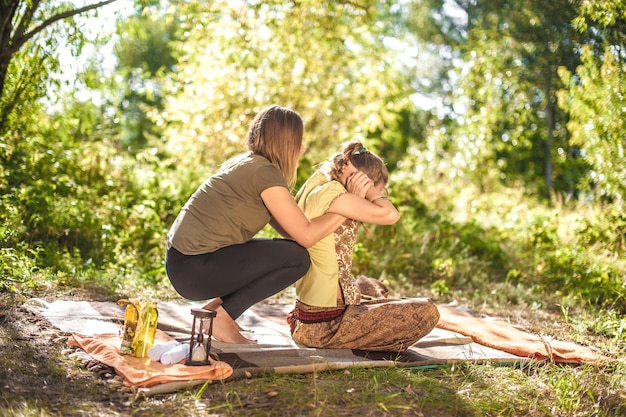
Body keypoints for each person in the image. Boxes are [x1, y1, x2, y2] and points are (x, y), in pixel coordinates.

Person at [165, 105, 347, 344]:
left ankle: (213, 315)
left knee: (290, 254)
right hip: (194, 268)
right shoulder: (264, 173)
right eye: (298, 142)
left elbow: (294, 231)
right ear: (284, 142)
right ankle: (223, 318)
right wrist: (344, 208)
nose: (302, 149)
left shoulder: (251, 166)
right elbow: (305, 236)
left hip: (185, 264)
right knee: (297, 259)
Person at [287, 140, 440, 352]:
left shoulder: (319, 182)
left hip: (307, 316)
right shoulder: (340, 197)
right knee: (427, 311)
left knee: (372, 286)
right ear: (362, 181)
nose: (376, 197)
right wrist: (371, 192)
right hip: (324, 327)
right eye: (377, 189)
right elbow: (391, 214)